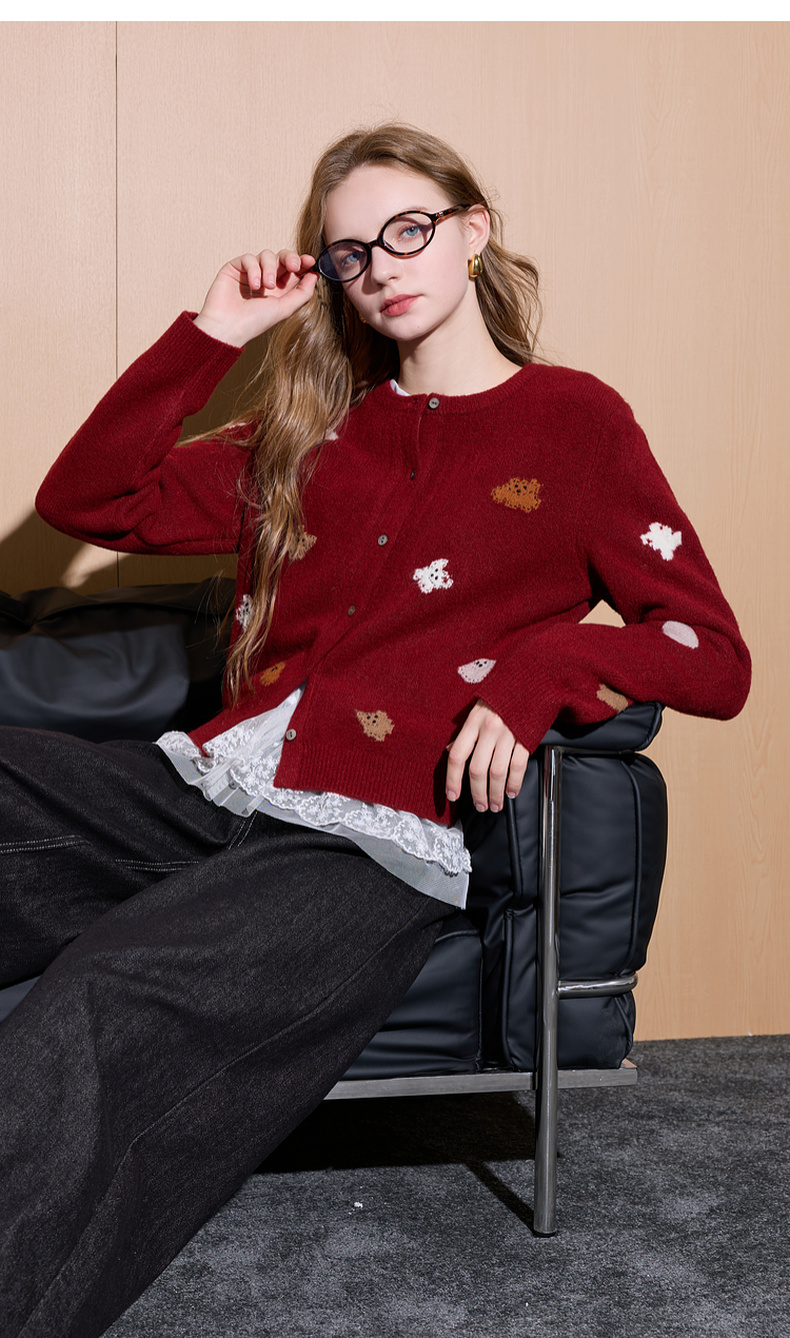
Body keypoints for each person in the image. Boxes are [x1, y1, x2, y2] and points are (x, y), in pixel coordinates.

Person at [1, 124, 750, 1338]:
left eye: (408, 230)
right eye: (351, 252)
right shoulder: (314, 431)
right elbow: (92, 500)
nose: (383, 266)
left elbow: (710, 655)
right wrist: (213, 334)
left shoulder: (575, 423)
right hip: (210, 791)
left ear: (472, 229)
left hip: (365, 843)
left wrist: (548, 663)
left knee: (106, 993)